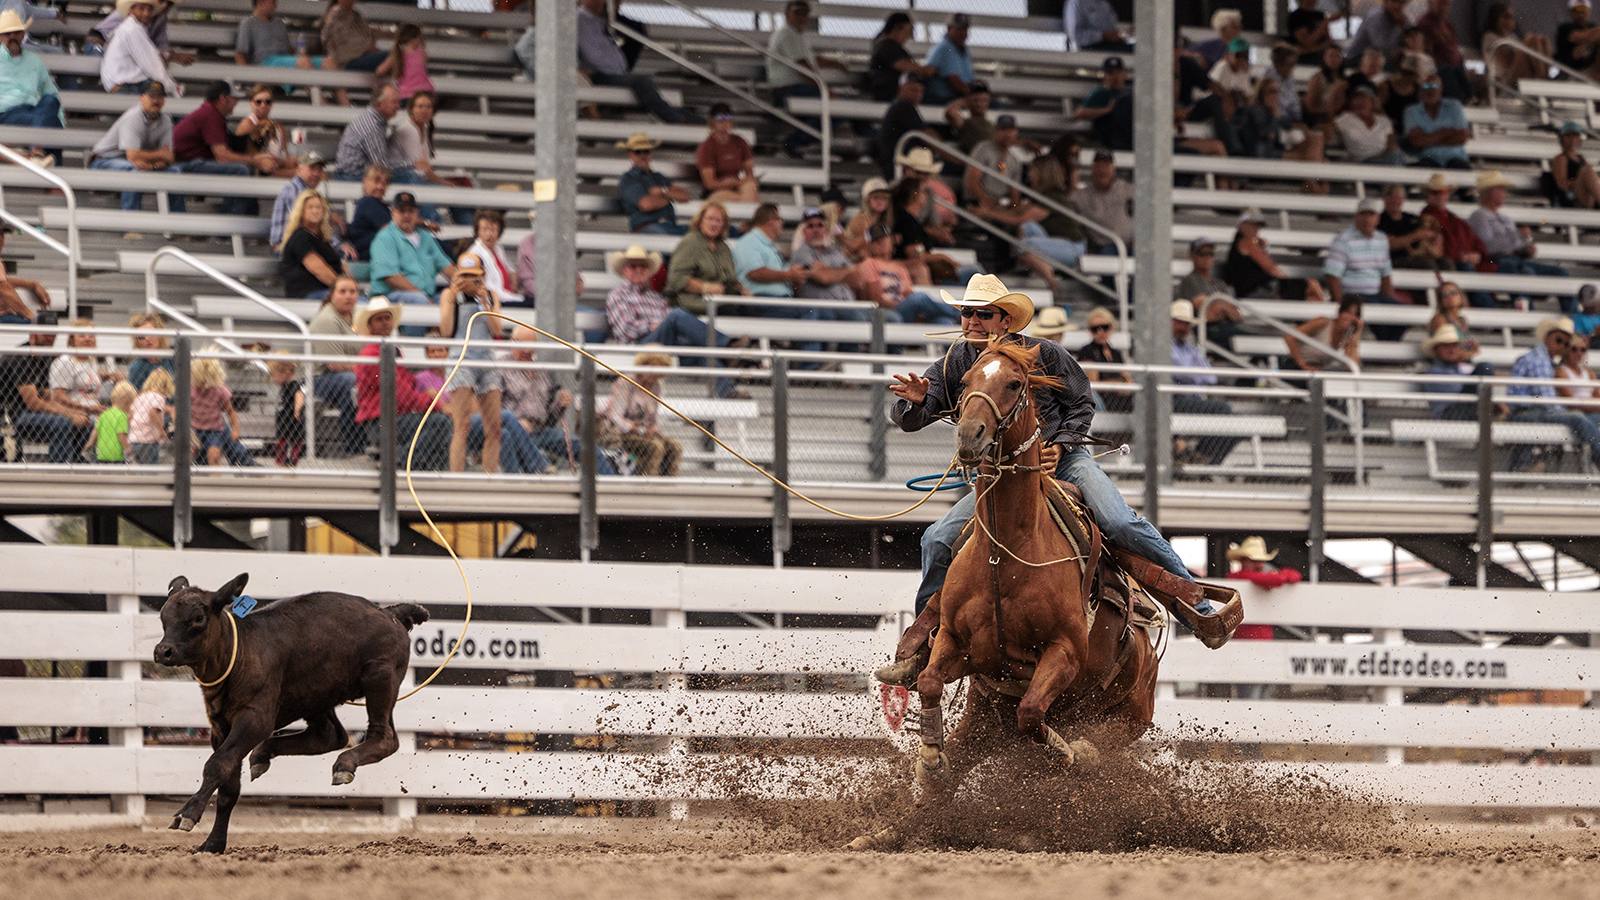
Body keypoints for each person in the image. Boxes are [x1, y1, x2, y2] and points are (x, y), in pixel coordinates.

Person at [878, 275, 1221, 687]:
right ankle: (926, 646)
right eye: (966, 312)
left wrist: (1061, 443)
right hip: (1002, 476)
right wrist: (912, 405)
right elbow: (914, 417)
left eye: (981, 313)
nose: (971, 319)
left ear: (1004, 320)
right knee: (936, 539)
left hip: (1066, 462)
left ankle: (1193, 603)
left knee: (1120, 522)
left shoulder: (1046, 354)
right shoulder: (954, 364)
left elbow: (1081, 402)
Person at [606, 244, 746, 399]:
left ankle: (728, 392)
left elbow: (669, 325)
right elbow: (626, 330)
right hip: (636, 347)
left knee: (700, 348)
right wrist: (652, 326)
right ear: (624, 270)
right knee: (676, 316)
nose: (639, 269)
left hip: (664, 344)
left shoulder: (656, 298)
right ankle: (726, 348)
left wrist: (663, 327)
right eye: (633, 266)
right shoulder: (617, 296)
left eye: (643, 266)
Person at [352, 296, 450, 470]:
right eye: (379, 319)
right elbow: (402, 395)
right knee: (441, 423)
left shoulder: (388, 350)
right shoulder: (372, 355)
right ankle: (397, 461)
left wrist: (427, 390)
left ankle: (426, 471)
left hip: (392, 419)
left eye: (387, 318)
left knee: (440, 429)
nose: (384, 322)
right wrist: (437, 404)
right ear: (370, 326)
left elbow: (407, 384)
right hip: (380, 422)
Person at [500, 326, 615, 473]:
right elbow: (492, 407)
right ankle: (540, 473)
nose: (527, 351)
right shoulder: (501, 368)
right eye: (522, 345)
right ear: (511, 342)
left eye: (531, 347)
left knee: (590, 450)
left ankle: (614, 491)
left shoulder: (543, 373)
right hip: (514, 433)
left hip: (541, 431)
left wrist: (560, 405)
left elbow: (549, 419)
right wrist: (515, 423)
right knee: (532, 455)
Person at [436, 252, 503, 474]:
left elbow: (497, 331)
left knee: (494, 428)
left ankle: (489, 478)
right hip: (461, 359)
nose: (469, 282)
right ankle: (457, 479)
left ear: (482, 276)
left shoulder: (491, 296)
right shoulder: (448, 294)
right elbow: (445, 331)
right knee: (461, 424)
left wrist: (484, 300)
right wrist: (454, 295)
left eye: (473, 277)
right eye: (464, 276)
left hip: (487, 359)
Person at [576, 0, 695, 124]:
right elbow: (594, 57)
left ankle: (691, 119)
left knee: (646, 88)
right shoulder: (580, 20)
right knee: (641, 82)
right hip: (599, 75)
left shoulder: (599, 22)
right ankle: (678, 120)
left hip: (610, 72)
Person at [1470, 170, 1572, 312]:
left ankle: (1571, 314)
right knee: (1522, 272)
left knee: (1559, 272)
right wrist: (1518, 237)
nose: (1504, 192)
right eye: (1500, 189)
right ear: (1489, 192)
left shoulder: (1505, 218)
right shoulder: (1479, 217)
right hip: (1496, 262)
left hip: (1514, 260)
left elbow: (1513, 244)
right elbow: (1487, 247)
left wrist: (1526, 250)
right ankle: (1526, 314)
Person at [1506, 317, 1600, 471]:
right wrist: (1568, 413)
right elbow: (1547, 400)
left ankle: (1519, 469)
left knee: (1581, 418)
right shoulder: (1540, 361)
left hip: (1529, 411)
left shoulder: (1544, 360)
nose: (1562, 346)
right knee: (1577, 418)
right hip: (1525, 412)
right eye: (1558, 340)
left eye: (1566, 343)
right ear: (1546, 338)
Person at [170, 81, 274, 215]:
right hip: (184, 165)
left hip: (191, 162)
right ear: (223, 98)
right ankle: (231, 226)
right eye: (234, 98)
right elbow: (223, 157)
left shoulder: (211, 113)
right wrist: (256, 160)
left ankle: (249, 221)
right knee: (241, 171)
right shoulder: (210, 115)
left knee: (244, 168)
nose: (236, 102)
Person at [1, 311, 90, 462]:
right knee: (62, 423)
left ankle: (74, 463)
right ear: (33, 333)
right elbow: (34, 402)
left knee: (87, 422)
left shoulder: (44, 358)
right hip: (10, 416)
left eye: (53, 332)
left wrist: (74, 412)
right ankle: (58, 473)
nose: (50, 336)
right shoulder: (21, 356)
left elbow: (48, 397)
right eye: (46, 332)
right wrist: (69, 414)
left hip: (29, 414)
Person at [765, 0, 850, 155]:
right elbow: (804, 67)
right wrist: (828, 92)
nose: (801, 17)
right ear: (786, 15)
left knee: (845, 107)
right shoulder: (787, 33)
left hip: (797, 89)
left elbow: (812, 59)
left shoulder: (798, 36)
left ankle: (868, 140)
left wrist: (837, 64)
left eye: (805, 13)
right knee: (842, 107)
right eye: (797, 13)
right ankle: (792, 142)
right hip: (789, 90)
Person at [1169, 299, 1243, 466]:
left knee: (1238, 424)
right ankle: (1202, 459)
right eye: (1179, 322)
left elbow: (1210, 377)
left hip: (1192, 400)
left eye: (1186, 324)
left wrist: (1194, 374)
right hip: (1173, 401)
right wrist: (1195, 374)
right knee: (1223, 410)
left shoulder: (1188, 348)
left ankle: (1204, 461)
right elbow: (1187, 373)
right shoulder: (1166, 346)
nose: (1183, 328)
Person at [369, 191, 456, 332]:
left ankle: (446, 346)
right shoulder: (385, 238)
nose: (407, 215)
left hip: (425, 294)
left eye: (410, 211)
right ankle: (413, 344)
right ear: (393, 213)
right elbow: (391, 277)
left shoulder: (425, 237)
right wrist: (421, 294)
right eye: (402, 211)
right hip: (389, 295)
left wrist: (464, 285)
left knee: (450, 299)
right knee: (419, 300)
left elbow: (446, 266)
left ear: (417, 213)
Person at [1325, 198, 1404, 341]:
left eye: (1371, 215)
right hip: (1352, 295)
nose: (1367, 219)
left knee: (1404, 314)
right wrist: (1341, 305)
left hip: (1374, 295)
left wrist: (1388, 300)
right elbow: (1332, 276)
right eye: (1363, 214)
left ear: (1378, 219)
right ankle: (1386, 351)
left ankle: (1386, 347)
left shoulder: (1382, 240)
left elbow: (1385, 275)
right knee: (1380, 315)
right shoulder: (1343, 240)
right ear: (1356, 217)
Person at [88, 81, 172, 212]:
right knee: (135, 170)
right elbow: (133, 155)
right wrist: (160, 154)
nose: (156, 101)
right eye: (152, 96)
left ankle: (178, 228)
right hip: (103, 162)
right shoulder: (133, 117)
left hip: (136, 163)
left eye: (160, 97)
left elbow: (169, 158)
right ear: (141, 98)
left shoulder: (166, 120)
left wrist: (153, 165)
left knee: (174, 171)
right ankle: (131, 228)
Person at [852, 223, 958, 326]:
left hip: (907, 310)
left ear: (890, 240)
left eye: (884, 238)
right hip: (886, 312)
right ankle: (961, 313)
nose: (881, 243)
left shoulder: (899, 268)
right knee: (919, 297)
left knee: (944, 322)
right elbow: (875, 299)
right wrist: (905, 304)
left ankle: (957, 319)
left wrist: (915, 311)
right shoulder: (869, 264)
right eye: (876, 241)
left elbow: (907, 294)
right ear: (870, 245)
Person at [307, 275, 366, 457]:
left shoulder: (358, 316)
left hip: (352, 372)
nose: (348, 296)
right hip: (318, 379)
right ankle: (354, 448)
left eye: (352, 291)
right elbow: (334, 364)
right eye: (343, 292)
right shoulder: (327, 319)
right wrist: (368, 369)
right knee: (352, 384)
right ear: (332, 295)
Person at [1013, 156, 1087, 301]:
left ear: (1042, 173)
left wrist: (988, 213)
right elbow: (1018, 212)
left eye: (1033, 170)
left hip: (1073, 248)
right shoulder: (1041, 195)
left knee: (1025, 244)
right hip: (1061, 243)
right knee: (1027, 227)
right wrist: (991, 210)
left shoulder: (1052, 196)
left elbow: (1018, 218)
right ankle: (1026, 263)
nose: (1030, 174)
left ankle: (1053, 284)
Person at [599, 350, 680, 476]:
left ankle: (668, 486)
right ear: (643, 364)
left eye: (660, 370)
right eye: (652, 367)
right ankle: (647, 486)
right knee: (655, 446)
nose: (655, 374)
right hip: (621, 434)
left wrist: (654, 430)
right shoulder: (627, 382)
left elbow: (652, 419)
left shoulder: (656, 386)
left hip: (644, 433)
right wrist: (640, 430)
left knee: (674, 446)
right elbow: (614, 417)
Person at [1422, 173, 1495, 309]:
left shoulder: (1454, 219)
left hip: (1466, 265)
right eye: (1435, 192)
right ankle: (1492, 312)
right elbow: (1436, 250)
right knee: (1469, 271)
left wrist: (1477, 254)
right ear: (1429, 195)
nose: (1440, 196)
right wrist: (1462, 256)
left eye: (1443, 192)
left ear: (1447, 194)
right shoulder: (1426, 219)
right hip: (1452, 267)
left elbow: (1476, 242)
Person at [1223, 208, 1326, 303]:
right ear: (1242, 224)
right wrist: (1287, 283)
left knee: (1310, 292)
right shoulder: (1247, 242)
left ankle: (1324, 314)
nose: (1256, 229)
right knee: (1310, 285)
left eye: (1258, 226)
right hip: (1258, 291)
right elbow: (1270, 268)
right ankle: (1328, 312)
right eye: (1253, 225)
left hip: (1256, 290)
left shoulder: (1239, 243)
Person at [0, 11, 60, 167]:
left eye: (16, 32)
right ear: (1, 37)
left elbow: (50, 90)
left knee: (51, 104)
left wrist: (59, 117)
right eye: (7, 34)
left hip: (31, 112)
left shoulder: (34, 60)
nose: (12, 37)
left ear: (23, 34)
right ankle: (39, 155)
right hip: (6, 115)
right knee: (52, 126)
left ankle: (38, 154)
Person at [666, 202, 744, 316]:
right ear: (700, 221)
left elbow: (729, 280)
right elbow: (676, 278)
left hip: (721, 300)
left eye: (719, 220)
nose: (714, 223)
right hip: (692, 301)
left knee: (749, 309)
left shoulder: (724, 247)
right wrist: (705, 287)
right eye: (710, 218)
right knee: (730, 312)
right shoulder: (690, 242)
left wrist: (741, 289)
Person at [1174, 237, 1245, 351]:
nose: (1207, 258)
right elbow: (1207, 311)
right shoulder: (1190, 280)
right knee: (1257, 341)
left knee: (1262, 341)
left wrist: (1220, 306)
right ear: (1192, 256)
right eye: (1202, 254)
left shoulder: (1220, 283)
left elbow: (1237, 314)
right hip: (1209, 330)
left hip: (1228, 327)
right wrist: (1223, 307)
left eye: (1210, 254)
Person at [278, 190, 349, 300]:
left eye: (318, 207)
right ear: (301, 212)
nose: (315, 211)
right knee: (360, 304)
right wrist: (345, 290)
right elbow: (318, 269)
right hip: (309, 294)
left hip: (327, 292)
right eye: (310, 207)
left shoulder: (323, 239)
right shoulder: (300, 237)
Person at [616, 133, 689, 236]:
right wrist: (669, 196)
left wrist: (662, 192)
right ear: (630, 154)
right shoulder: (628, 179)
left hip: (668, 225)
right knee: (676, 238)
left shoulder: (658, 176)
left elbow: (684, 196)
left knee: (699, 234)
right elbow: (646, 205)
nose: (643, 155)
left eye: (646, 151)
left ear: (650, 153)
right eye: (638, 152)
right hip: (647, 228)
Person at [101, 0, 178, 96]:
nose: (146, 13)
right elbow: (152, 66)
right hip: (128, 88)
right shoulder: (133, 30)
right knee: (161, 91)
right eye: (141, 9)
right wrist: (172, 88)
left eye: (149, 10)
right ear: (131, 10)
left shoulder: (128, 28)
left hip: (122, 86)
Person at [1419, 324, 1495, 421]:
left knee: (1485, 370)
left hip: (1463, 410)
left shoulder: (1460, 369)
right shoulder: (1434, 372)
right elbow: (1458, 392)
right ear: (1436, 350)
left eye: (1454, 345)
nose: (1452, 350)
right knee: (1485, 368)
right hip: (1449, 415)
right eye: (1446, 346)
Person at [190, 357, 256, 467]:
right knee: (192, 455)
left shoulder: (220, 390)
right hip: (195, 429)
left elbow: (230, 411)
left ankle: (216, 482)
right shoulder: (191, 389)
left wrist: (236, 430)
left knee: (214, 455)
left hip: (214, 430)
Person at [332, 84, 403, 181]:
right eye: (394, 102)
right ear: (379, 105)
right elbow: (382, 165)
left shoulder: (375, 119)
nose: (398, 106)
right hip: (351, 177)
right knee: (407, 175)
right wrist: (412, 163)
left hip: (355, 173)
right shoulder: (371, 126)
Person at [49, 321, 111, 428]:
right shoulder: (66, 361)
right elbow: (58, 397)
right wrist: (88, 408)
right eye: (82, 335)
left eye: (91, 335)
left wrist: (108, 376)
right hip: (76, 414)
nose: (87, 338)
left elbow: (88, 379)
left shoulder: (91, 360)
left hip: (94, 411)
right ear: (72, 340)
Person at [874, 73, 934, 180]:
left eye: (921, 91)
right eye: (914, 90)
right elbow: (926, 136)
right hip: (900, 167)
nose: (918, 94)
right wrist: (952, 155)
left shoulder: (899, 106)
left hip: (899, 165)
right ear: (901, 88)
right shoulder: (903, 106)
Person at [696, 103, 758, 204]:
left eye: (728, 117)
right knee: (753, 200)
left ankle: (747, 206)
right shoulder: (706, 147)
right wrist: (727, 183)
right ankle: (748, 210)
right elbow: (709, 183)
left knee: (750, 186)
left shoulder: (740, 141)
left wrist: (736, 183)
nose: (724, 121)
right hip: (717, 191)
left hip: (737, 188)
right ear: (712, 121)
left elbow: (750, 173)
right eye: (720, 118)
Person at [1482, 2, 1554, 89]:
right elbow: (1505, 62)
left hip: (1519, 71)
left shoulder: (1512, 37)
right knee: (1531, 39)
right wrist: (1523, 51)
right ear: (1499, 19)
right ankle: (1543, 78)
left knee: (1542, 40)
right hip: (1506, 76)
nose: (1513, 19)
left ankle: (1543, 76)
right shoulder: (1490, 37)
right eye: (1508, 16)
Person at [1403, 78, 1470, 170]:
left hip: (1455, 157)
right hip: (1428, 158)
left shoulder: (1454, 106)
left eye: (1434, 86)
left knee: (1463, 173)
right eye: (1425, 86)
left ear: (1441, 88)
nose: (1430, 90)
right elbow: (1416, 142)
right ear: (1420, 90)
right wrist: (1446, 133)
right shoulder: (1411, 111)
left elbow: (1462, 137)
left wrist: (1428, 140)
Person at [1074, 151, 1133, 254]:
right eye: (1098, 166)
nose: (1102, 171)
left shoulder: (1127, 189)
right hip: (1104, 246)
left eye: (1106, 166)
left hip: (1131, 244)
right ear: (1092, 169)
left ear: (1113, 169)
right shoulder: (1081, 195)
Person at [1286, 296, 1363, 375]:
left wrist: (1357, 333)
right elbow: (1289, 337)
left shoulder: (1347, 334)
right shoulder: (1323, 322)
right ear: (1340, 311)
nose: (1351, 318)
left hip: (1317, 370)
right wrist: (1303, 365)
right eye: (1348, 312)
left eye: (1355, 315)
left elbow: (1351, 365)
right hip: (1295, 366)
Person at [867, 12, 934, 102]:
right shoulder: (885, 45)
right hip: (889, 92)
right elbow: (901, 64)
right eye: (906, 32)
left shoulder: (887, 45)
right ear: (896, 29)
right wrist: (922, 69)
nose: (907, 37)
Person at [966, 114, 1027, 212]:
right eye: (1003, 129)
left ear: (1016, 132)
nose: (1008, 134)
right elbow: (972, 182)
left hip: (1001, 203)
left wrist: (1015, 208)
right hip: (977, 201)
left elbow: (1015, 191)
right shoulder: (983, 149)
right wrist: (989, 203)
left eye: (1011, 130)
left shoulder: (1015, 158)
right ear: (996, 131)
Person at [1415, 0, 1472, 103]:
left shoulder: (1447, 24)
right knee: (1446, 70)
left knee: (1461, 71)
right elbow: (1428, 53)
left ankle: (1471, 99)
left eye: (1447, 4)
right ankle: (1459, 102)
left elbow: (1454, 48)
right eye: (1441, 3)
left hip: (1455, 69)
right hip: (1439, 70)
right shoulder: (1425, 24)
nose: (1444, 8)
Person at [235, 84, 297, 178]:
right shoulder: (247, 124)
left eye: (267, 102)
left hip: (276, 168)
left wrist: (290, 161)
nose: (263, 105)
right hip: (259, 172)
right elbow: (242, 158)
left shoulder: (279, 126)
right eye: (258, 102)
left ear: (272, 104)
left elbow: (285, 155)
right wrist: (281, 162)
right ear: (251, 103)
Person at [271, 151, 329, 250]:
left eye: (319, 170)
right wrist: (338, 245)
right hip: (285, 248)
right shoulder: (295, 190)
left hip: (299, 246)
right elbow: (309, 225)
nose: (316, 174)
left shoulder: (307, 190)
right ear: (299, 170)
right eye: (312, 169)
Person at [1336, 85, 1406, 166]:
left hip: (1382, 159)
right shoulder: (1345, 118)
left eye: (1364, 98)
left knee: (1397, 155)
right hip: (1360, 162)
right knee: (1396, 158)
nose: (1360, 102)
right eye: (1356, 99)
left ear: (1372, 101)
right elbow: (1328, 130)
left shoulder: (1384, 120)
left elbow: (1392, 145)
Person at [463, 209, 521, 307]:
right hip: (494, 302)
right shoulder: (475, 254)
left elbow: (509, 268)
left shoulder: (498, 249)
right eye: (484, 229)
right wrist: (515, 298)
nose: (489, 234)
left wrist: (513, 274)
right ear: (477, 232)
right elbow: (489, 288)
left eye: (493, 230)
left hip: (507, 298)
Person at [235, 0, 316, 69]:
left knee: (326, 62)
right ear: (261, 2)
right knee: (304, 63)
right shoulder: (248, 23)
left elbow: (289, 50)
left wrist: (300, 53)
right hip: (267, 62)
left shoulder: (280, 23)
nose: (275, 6)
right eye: (273, 2)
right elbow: (240, 54)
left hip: (285, 59)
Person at [1074, 56, 1132, 151]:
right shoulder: (1100, 93)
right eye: (1110, 73)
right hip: (1109, 141)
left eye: (1118, 72)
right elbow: (1079, 113)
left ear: (1124, 74)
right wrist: (1108, 109)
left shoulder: (1131, 93)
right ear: (1105, 75)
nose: (1115, 77)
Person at [320, 0, 387, 74]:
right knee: (390, 56)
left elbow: (370, 39)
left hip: (363, 57)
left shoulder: (357, 15)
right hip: (348, 63)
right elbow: (349, 47)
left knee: (393, 56)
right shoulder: (334, 15)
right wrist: (367, 47)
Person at [922, 13, 974, 105]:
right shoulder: (945, 48)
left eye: (965, 29)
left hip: (954, 98)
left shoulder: (963, 50)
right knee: (993, 105)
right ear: (949, 29)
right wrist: (976, 94)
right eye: (959, 29)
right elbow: (955, 84)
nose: (962, 33)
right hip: (943, 99)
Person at [1546, 122, 1600, 210]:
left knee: (1589, 172)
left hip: (1587, 195)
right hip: (1572, 196)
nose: (1572, 139)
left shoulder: (1581, 158)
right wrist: (1580, 179)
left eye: (1575, 136)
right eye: (1568, 136)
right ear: (1562, 139)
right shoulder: (1561, 158)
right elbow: (1561, 183)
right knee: (1587, 171)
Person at [345, 164, 391, 260]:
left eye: (384, 183)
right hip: (366, 260)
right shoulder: (368, 202)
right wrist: (426, 224)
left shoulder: (380, 206)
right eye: (376, 181)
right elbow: (394, 228)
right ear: (365, 182)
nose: (380, 187)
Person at [265, 355, 305, 466]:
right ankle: (284, 468)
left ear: (286, 373)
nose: (272, 378)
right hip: (283, 428)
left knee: (292, 455)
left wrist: (297, 409)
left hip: (293, 428)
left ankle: (290, 469)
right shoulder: (284, 386)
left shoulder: (295, 385)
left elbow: (299, 395)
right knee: (281, 454)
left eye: (274, 375)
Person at [127, 365, 171, 464]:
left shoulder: (140, 396)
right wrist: (161, 430)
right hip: (148, 441)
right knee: (150, 469)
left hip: (134, 439)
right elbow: (152, 412)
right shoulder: (159, 397)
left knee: (139, 467)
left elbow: (130, 415)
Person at [85, 379, 135, 464]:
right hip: (116, 457)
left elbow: (95, 431)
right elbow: (121, 436)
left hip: (101, 455)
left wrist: (89, 444)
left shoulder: (104, 414)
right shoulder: (122, 416)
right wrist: (128, 450)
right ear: (127, 402)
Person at [1344, 0, 1409, 67]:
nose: (1397, 5)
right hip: (1357, 58)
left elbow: (1411, 34)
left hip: (1378, 57)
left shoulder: (1399, 16)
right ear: (1386, 2)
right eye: (1394, 1)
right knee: (1397, 65)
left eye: (1402, 2)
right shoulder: (1377, 17)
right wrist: (1399, 27)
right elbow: (1381, 47)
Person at [376, 23, 432, 100]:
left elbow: (379, 71)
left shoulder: (396, 55)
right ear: (414, 38)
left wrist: (392, 71)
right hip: (424, 93)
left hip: (404, 94)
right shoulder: (423, 54)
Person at [841, 177, 892, 261]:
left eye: (884, 197)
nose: (880, 201)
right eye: (876, 197)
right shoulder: (861, 220)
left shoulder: (883, 222)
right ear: (868, 201)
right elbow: (863, 253)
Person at [1556, 332, 1599, 422]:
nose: (1579, 353)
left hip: (1590, 412)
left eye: (1582, 350)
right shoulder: (1561, 372)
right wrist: (1592, 405)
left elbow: (1597, 395)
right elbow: (1570, 402)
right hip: (1576, 414)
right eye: (1574, 349)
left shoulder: (1588, 372)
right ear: (1567, 350)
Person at [945, 79, 996, 154]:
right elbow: (950, 112)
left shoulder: (991, 124)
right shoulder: (965, 124)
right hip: (974, 160)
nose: (979, 104)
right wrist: (964, 102)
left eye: (983, 100)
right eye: (976, 100)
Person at [125, 311, 170, 391]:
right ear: (137, 341)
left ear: (160, 334)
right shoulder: (136, 368)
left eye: (150, 333)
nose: (147, 338)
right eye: (141, 336)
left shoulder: (173, 361)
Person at [1064, 0, 1131, 53]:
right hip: (1089, 48)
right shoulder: (1076, 2)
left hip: (1110, 45)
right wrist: (1103, 36)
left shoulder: (1103, 3)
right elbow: (1075, 35)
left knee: (1138, 50)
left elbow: (1111, 29)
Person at [1557, 0, 1600, 81]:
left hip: (1589, 71)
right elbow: (1577, 37)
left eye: (1583, 11)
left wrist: (1586, 43)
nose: (1580, 15)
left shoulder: (1592, 26)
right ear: (1570, 12)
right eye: (1576, 11)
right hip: (1569, 72)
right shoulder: (1565, 28)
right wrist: (1591, 39)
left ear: (1589, 12)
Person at [1287, 0, 1332, 64]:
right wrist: (1324, 24)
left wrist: (1311, 49)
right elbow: (1307, 41)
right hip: (1303, 59)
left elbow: (1328, 40)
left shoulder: (1320, 15)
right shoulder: (1296, 16)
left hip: (1320, 56)